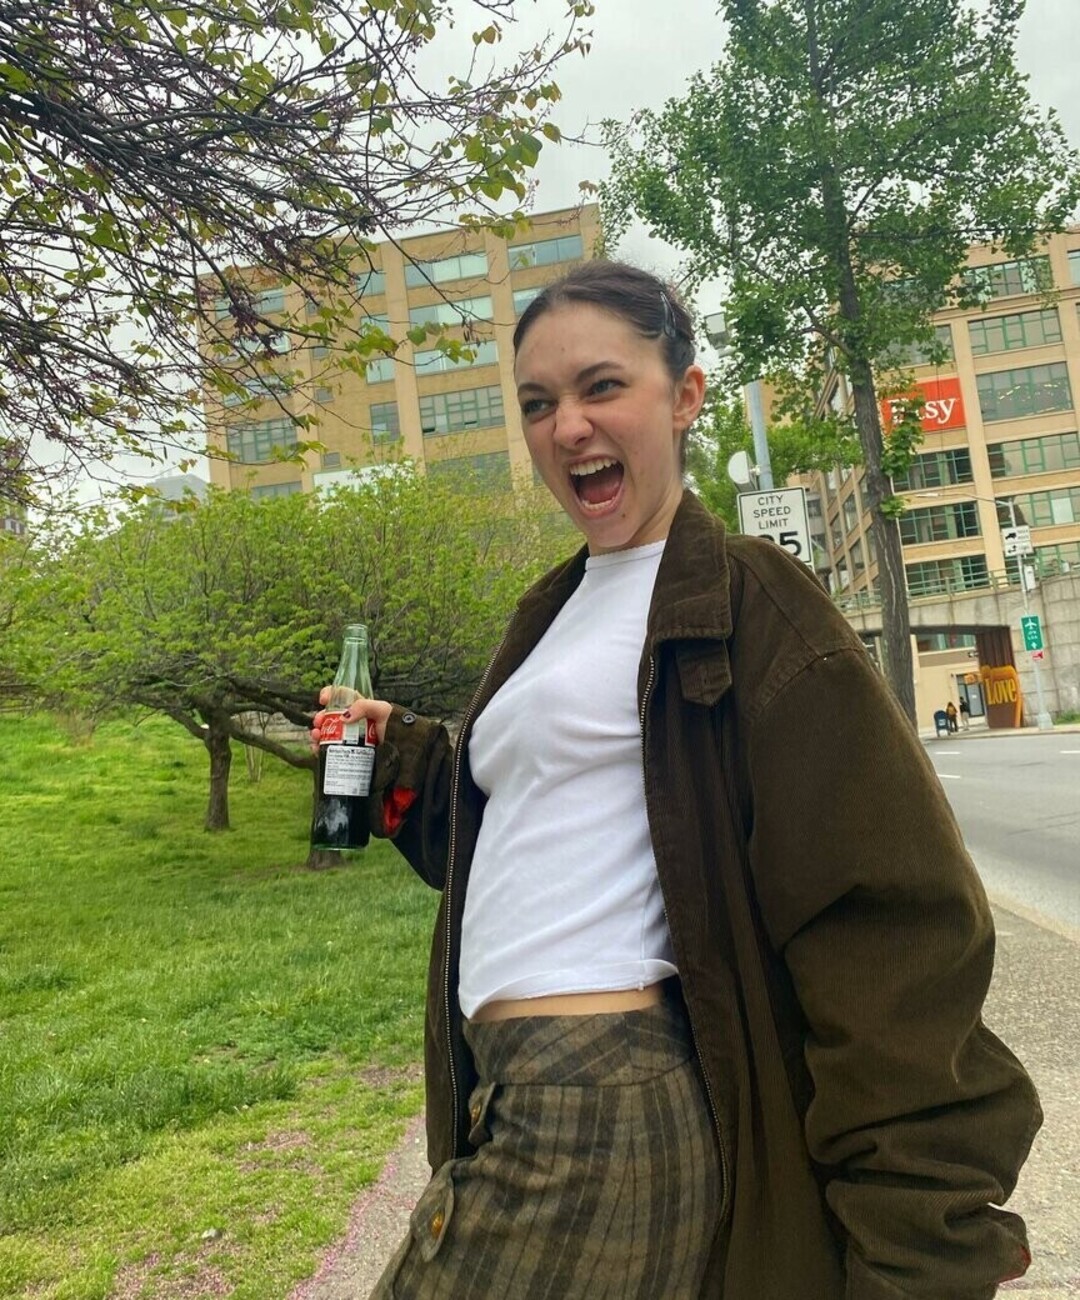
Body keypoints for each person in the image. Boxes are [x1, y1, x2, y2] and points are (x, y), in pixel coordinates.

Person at [312, 261, 1040, 1298]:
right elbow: (535, 843)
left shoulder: (751, 601)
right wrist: (412, 761)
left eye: (602, 386)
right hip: (507, 1088)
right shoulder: (551, 611)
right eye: (538, 403)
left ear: (685, 396)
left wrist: (919, 1246)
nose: (567, 426)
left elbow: (887, 929)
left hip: (599, 1097)